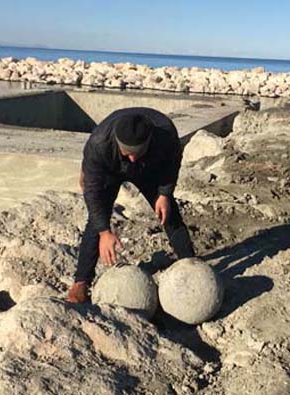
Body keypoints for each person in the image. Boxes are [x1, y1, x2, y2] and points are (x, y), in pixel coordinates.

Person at [67, 107, 196, 303]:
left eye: (137, 152)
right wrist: (104, 231)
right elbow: (92, 192)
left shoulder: (165, 134)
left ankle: (190, 263)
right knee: (96, 220)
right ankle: (81, 282)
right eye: (127, 153)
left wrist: (164, 193)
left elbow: (172, 163)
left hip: (149, 169)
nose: (132, 158)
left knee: (169, 212)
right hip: (109, 170)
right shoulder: (99, 143)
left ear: (149, 140)